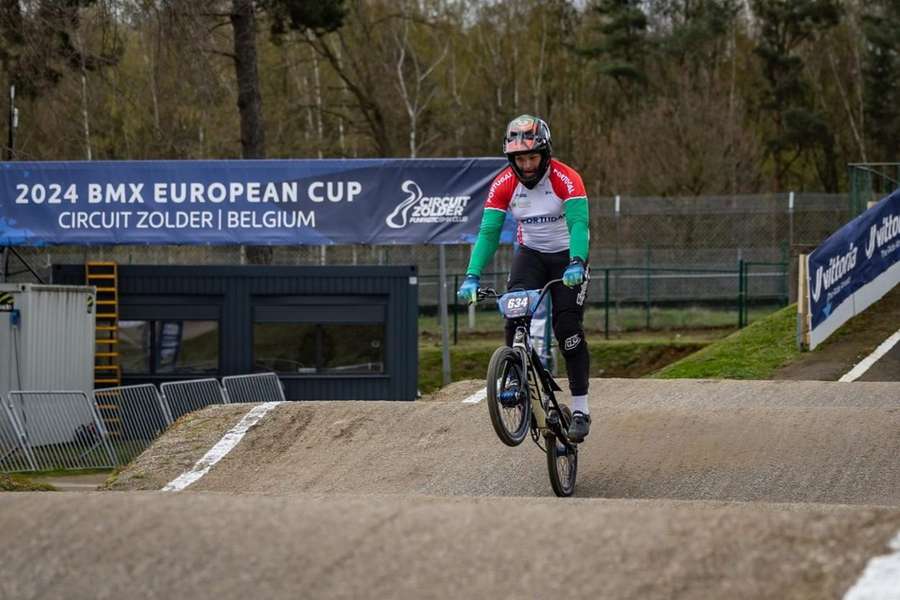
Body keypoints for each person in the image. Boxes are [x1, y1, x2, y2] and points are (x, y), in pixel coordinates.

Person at [457, 114, 592, 442]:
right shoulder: (504, 184)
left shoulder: (566, 178)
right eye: (520, 158)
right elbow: (489, 232)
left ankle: (580, 409)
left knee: (567, 330)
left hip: (566, 257)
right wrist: (471, 276)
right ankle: (515, 376)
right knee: (515, 310)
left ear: (545, 154)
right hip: (530, 255)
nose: (527, 165)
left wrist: (576, 262)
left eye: (533, 156)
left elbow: (578, 225)